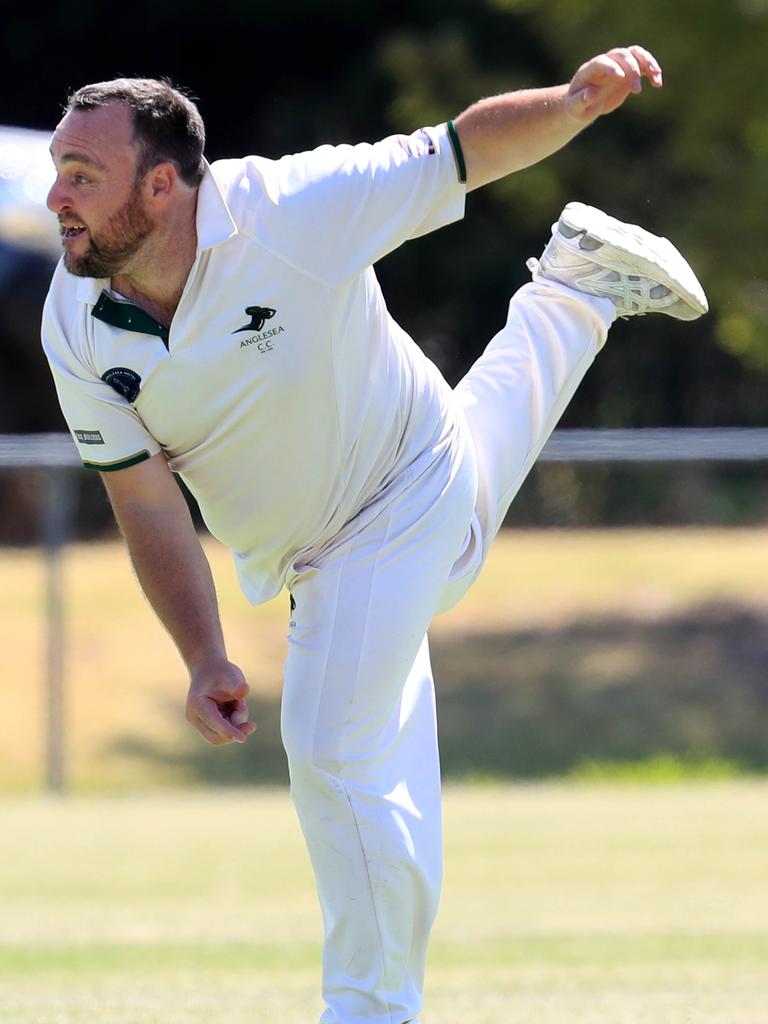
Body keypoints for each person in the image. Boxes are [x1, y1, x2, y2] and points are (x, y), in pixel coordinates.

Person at [41, 45, 706, 1024]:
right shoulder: (76, 320)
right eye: (57, 168)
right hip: (342, 535)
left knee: (331, 740)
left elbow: (455, 153)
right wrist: (203, 651)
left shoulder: (292, 211)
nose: (56, 194)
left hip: (389, 496)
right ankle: (578, 285)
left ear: (165, 183)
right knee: (459, 547)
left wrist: (571, 104)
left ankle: (370, 1006)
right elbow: (144, 502)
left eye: (82, 175)